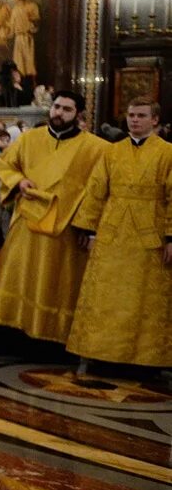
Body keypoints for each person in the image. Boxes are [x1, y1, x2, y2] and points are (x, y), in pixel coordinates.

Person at [0, 90, 106, 352]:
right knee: (18, 275)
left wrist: (88, 226)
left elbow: (99, 190)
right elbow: (5, 164)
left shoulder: (96, 148)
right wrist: (19, 181)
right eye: (56, 107)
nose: (58, 113)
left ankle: (49, 343)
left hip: (65, 229)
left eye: (66, 109)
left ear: (79, 115)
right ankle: (10, 337)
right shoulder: (29, 139)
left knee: (56, 282)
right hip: (27, 222)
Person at [66, 98, 172, 369]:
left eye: (141, 115)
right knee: (105, 296)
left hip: (151, 235)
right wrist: (88, 230)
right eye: (131, 115)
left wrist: (171, 237)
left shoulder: (168, 153)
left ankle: (145, 360)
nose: (134, 120)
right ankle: (100, 354)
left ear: (154, 120)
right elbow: (96, 190)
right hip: (111, 233)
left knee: (145, 301)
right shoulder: (112, 152)